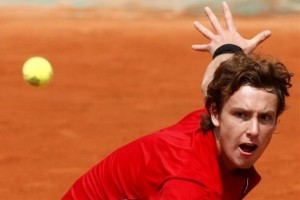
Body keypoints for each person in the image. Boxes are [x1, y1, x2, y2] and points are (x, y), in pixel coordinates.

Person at [62, 2, 293, 200]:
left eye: (264, 117)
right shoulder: (189, 184)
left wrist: (227, 49)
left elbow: (211, 81)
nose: (253, 130)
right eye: (241, 115)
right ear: (215, 113)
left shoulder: (218, 113)